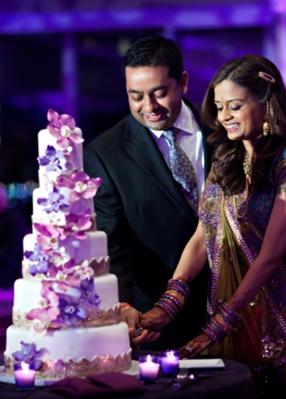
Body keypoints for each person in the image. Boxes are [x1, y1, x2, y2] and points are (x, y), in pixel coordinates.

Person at [138, 55, 286, 397]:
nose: (224, 117)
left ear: (266, 102)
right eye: (219, 107)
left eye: (234, 105)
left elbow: (270, 255)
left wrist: (219, 326)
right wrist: (168, 303)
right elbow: (202, 238)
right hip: (238, 299)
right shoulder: (227, 158)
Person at [84, 36, 212, 349]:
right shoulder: (105, 153)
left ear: (182, 82)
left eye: (159, 93)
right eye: (136, 96)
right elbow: (114, 239)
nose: (149, 107)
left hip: (237, 296)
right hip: (159, 311)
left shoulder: (222, 128)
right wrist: (125, 306)